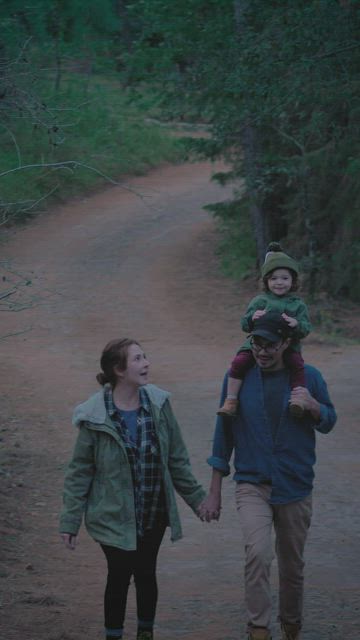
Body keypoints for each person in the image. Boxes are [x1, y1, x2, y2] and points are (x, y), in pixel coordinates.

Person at [200, 312, 337, 640]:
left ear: (286, 343)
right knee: (258, 553)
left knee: (292, 567)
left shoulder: (310, 378)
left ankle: (292, 625)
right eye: (256, 343)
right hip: (252, 484)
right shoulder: (238, 379)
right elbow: (224, 435)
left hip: (295, 486)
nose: (262, 351)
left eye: (270, 344)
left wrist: (313, 406)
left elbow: (329, 420)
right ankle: (258, 628)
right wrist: (214, 491)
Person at [60, 338, 206, 640]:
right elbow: (80, 472)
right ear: (119, 369)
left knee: (145, 572)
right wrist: (70, 521)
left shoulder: (158, 404)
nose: (146, 363)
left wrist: (199, 500)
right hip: (112, 514)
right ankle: (113, 635)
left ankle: (145, 633)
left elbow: (176, 460)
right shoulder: (95, 416)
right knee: (119, 574)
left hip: (153, 511)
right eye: (138, 359)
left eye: (145, 356)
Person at [217, 242, 311, 419]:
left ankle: (298, 399)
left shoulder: (298, 305)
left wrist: (296, 324)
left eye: (284, 278)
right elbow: (245, 325)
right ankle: (231, 400)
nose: (279, 282)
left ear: (293, 281)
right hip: (258, 343)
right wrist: (252, 318)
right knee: (239, 362)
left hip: (286, 345)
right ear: (266, 281)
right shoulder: (259, 301)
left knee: (297, 365)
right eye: (273, 278)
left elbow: (306, 328)